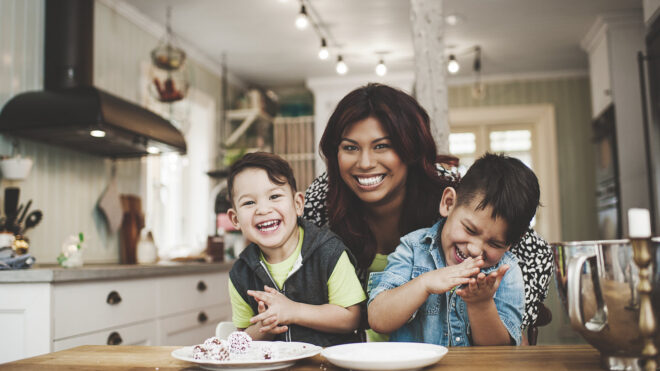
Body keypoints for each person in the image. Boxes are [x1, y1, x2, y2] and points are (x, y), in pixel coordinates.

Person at [303, 83, 553, 336]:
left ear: (410, 148)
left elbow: (538, 253)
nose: (365, 163)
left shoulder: (447, 190)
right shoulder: (324, 196)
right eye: (350, 147)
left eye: (382, 146)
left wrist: (504, 316)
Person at [367, 153, 539, 346]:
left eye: (495, 244)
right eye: (469, 229)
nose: (475, 249)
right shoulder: (414, 248)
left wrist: (481, 305)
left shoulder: (506, 271)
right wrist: (424, 284)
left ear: (511, 244)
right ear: (448, 203)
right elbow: (377, 318)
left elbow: (501, 353)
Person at [226, 152, 365, 347]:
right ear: (235, 219)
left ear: (298, 204)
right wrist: (265, 324)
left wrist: (293, 311)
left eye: (274, 196)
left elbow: (352, 318)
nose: (263, 210)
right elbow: (244, 337)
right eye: (249, 202)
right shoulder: (241, 273)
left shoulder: (329, 252)